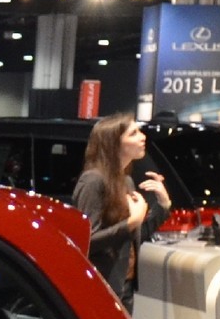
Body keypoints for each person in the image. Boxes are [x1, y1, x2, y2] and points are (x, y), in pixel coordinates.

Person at [69, 115, 171, 307]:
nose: (142, 137)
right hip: (99, 286)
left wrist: (163, 204)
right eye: (133, 133)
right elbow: (86, 241)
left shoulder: (126, 181)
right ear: (113, 143)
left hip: (124, 284)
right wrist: (132, 222)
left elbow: (132, 237)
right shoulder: (93, 181)